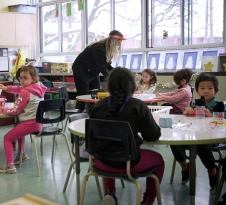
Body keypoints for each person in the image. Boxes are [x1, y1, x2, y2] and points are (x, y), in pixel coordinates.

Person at [89, 67, 164, 205]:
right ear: (134, 89)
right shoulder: (138, 106)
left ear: (108, 88)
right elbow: (152, 136)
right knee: (159, 160)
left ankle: (109, 193)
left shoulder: (98, 106)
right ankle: (148, 200)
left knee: (108, 148)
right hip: (130, 163)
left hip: (100, 162)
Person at [172, 73, 222, 189]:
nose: (206, 91)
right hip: (195, 135)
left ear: (216, 90)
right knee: (174, 142)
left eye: (210, 88)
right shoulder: (196, 104)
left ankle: (212, 170)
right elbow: (189, 117)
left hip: (212, 137)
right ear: (197, 91)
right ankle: (185, 167)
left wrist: (212, 116)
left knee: (202, 146)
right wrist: (187, 112)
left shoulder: (218, 105)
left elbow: (222, 122)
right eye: (202, 88)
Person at [0, 66, 46, 174]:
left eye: (24, 78)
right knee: (19, 132)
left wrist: (3, 110)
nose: (21, 80)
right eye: (20, 78)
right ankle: (22, 155)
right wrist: (6, 88)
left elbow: (16, 111)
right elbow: (19, 89)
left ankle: (10, 166)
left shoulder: (26, 92)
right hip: (40, 123)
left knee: (7, 138)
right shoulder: (38, 87)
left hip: (30, 123)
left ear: (33, 79)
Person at [72, 30, 126, 110]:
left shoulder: (108, 50)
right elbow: (102, 67)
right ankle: (79, 115)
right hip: (81, 70)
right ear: (114, 41)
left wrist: (119, 73)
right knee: (83, 95)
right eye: (119, 42)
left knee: (95, 94)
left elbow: (107, 66)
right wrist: (113, 79)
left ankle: (92, 114)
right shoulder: (98, 48)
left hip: (93, 71)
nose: (119, 45)